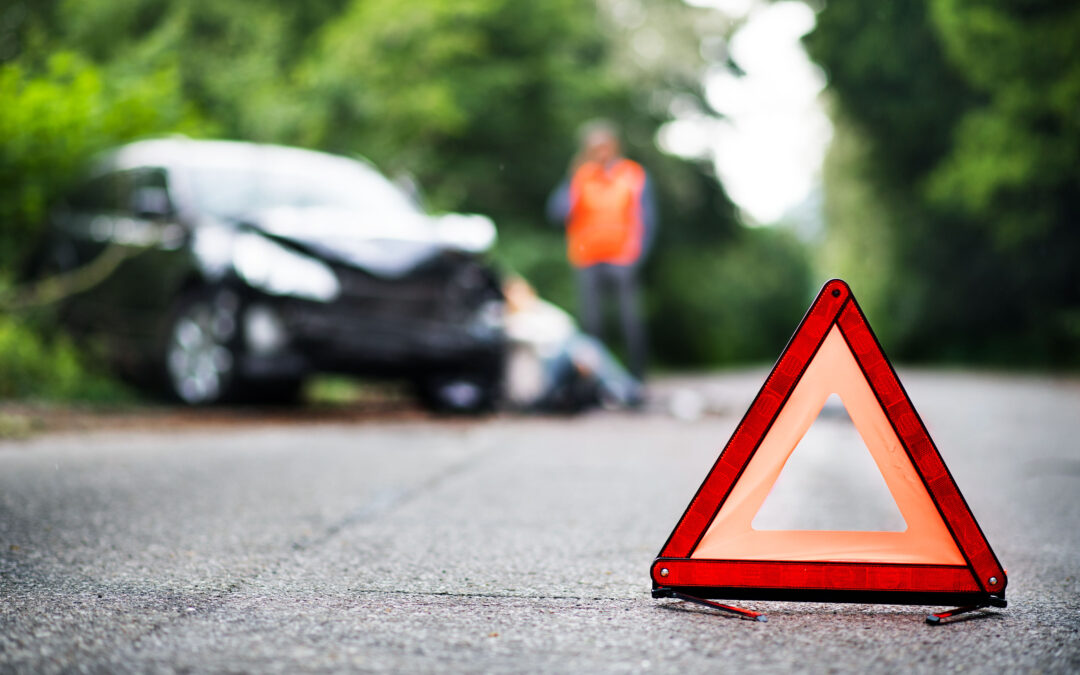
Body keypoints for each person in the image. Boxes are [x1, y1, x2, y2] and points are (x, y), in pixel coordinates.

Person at [546, 120, 656, 380]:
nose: (601, 152)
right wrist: (572, 178)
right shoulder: (581, 176)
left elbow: (648, 218)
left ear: (615, 146)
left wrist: (638, 254)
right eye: (594, 148)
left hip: (622, 257)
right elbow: (557, 213)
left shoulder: (633, 174)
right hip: (587, 257)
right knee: (592, 323)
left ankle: (637, 378)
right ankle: (598, 380)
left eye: (605, 146)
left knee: (630, 320)